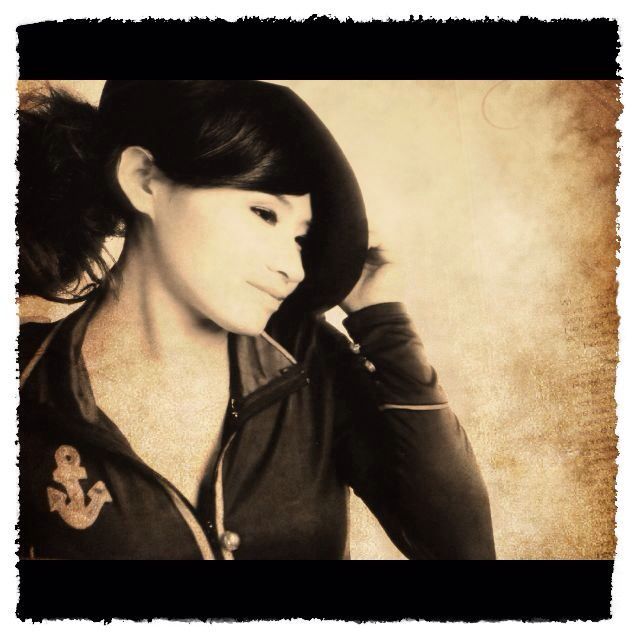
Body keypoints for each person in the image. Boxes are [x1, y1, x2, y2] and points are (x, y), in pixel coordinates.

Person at [17, 80, 496, 560]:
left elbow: (462, 551)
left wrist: (383, 322)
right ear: (144, 180)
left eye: (300, 239)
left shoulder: (309, 361)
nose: (294, 268)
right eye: (265, 214)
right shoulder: (25, 384)